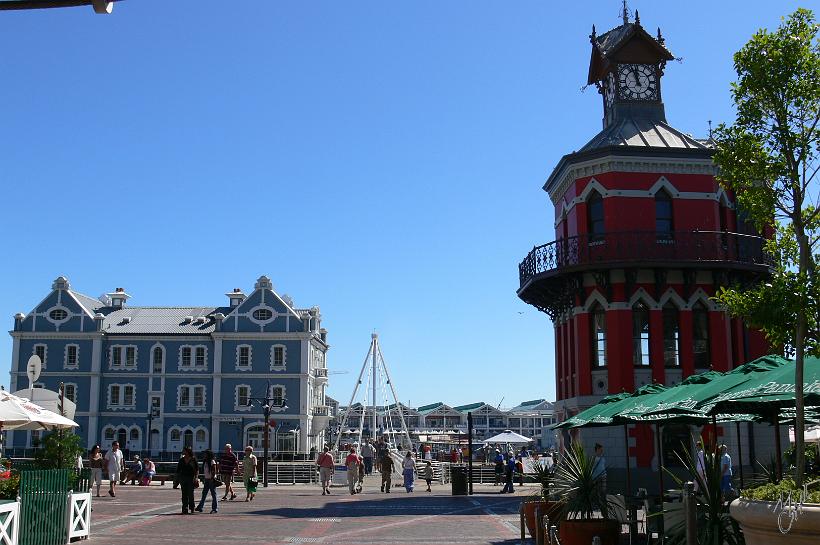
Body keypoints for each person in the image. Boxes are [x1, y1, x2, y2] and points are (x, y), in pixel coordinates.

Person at [176, 447, 198, 515]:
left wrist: (196, 477)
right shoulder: (181, 460)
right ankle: (184, 508)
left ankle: (192, 507)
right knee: (184, 494)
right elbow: (178, 470)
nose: (182, 451)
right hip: (183, 478)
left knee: (190, 493)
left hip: (191, 478)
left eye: (184, 450)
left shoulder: (193, 459)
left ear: (187, 451)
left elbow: (197, 469)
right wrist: (177, 479)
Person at [196, 449, 219, 513]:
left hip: (211, 479)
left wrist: (212, 478)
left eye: (205, 454)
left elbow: (214, 470)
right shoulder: (205, 461)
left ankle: (215, 508)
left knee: (213, 494)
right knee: (204, 493)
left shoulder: (212, 461)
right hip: (206, 479)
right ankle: (200, 506)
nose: (204, 455)